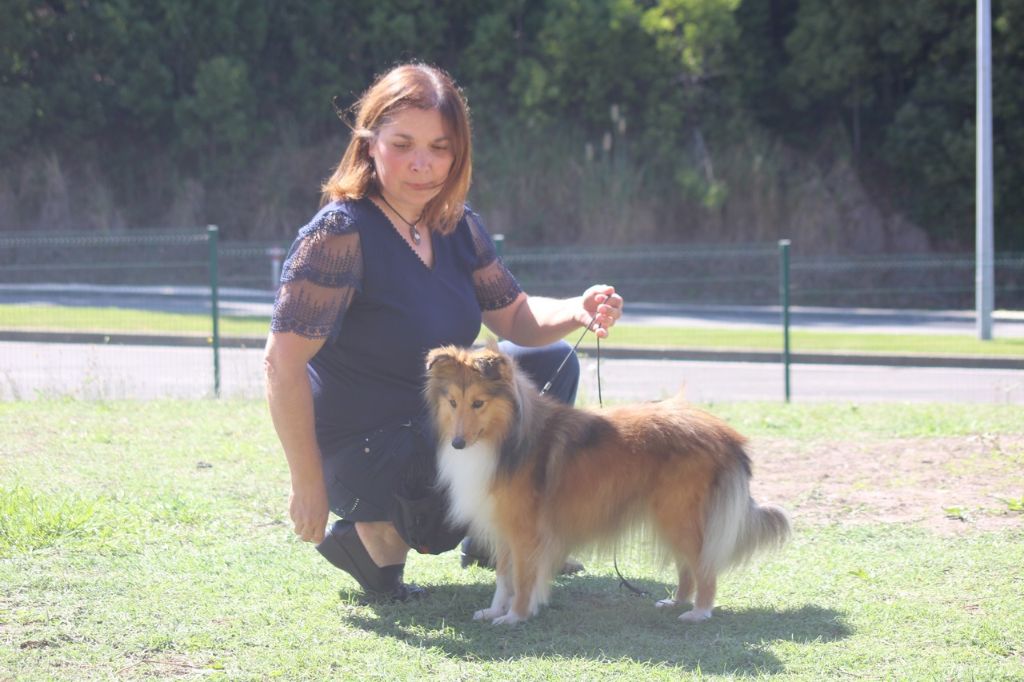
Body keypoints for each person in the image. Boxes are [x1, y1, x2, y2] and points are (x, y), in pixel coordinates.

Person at [264, 63, 623, 601]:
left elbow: (516, 319)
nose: (422, 163)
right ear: (369, 144)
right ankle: (371, 542)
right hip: (367, 443)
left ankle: (490, 534)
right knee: (449, 464)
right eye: (403, 143)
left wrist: (579, 306)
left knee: (549, 368)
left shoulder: (457, 223)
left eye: (440, 146)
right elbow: (282, 362)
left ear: (458, 153)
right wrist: (306, 484)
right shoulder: (340, 234)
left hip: (442, 419)